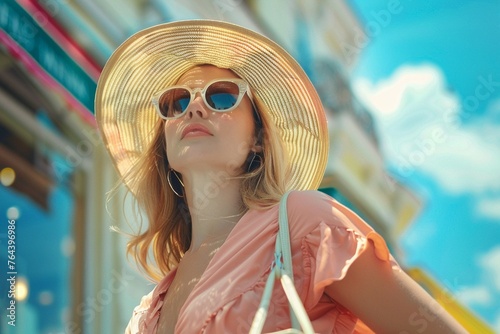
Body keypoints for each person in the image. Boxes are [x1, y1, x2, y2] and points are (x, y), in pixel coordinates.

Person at [95, 20, 467, 334]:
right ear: (165, 143)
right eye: (176, 102)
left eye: (221, 97)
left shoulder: (303, 223)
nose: (193, 107)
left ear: (258, 139)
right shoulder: (146, 313)